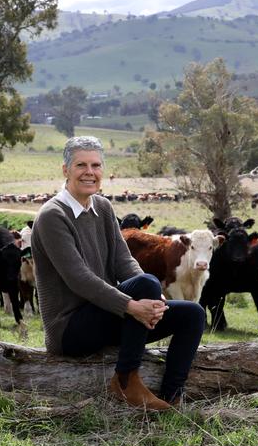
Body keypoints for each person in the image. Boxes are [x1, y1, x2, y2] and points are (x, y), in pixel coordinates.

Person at [31, 136, 205, 410]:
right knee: (146, 283)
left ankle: (172, 397)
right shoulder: (52, 216)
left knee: (193, 314)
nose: (90, 172)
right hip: (69, 328)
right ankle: (125, 381)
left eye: (96, 165)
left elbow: (125, 262)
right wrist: (131, 306)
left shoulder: (102, 207)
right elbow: (78, 278)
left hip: (106, 316)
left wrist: (156, 302)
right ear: (65, 170)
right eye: (81, 165)